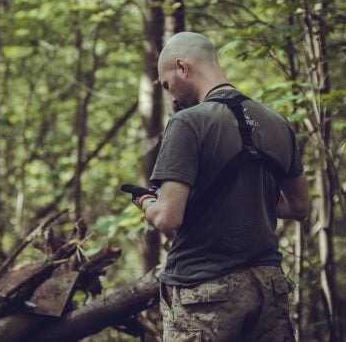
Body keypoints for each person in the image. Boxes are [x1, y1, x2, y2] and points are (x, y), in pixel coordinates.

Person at [129, 32, 310, 341]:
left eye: (167, 84)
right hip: (268, 287)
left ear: (183, 67)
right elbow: (299, 207)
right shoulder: (277, 122)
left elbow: (168, 218)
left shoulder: (188, 122)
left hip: (205, 291)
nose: (171, 97)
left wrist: (146, 202)